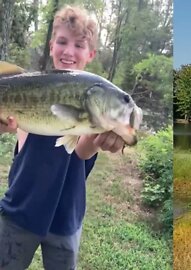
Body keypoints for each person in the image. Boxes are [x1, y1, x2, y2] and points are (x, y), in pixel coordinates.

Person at [0, 5, 125, 269]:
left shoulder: (94, 100)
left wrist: (107, 130)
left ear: (90, 54)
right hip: (20, 210)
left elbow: (81, 151)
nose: (69, 51)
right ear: (51, 46)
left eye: (79, 45)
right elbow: (19, 134)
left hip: (66, 217)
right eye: (62, 42)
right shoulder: (32, 85)